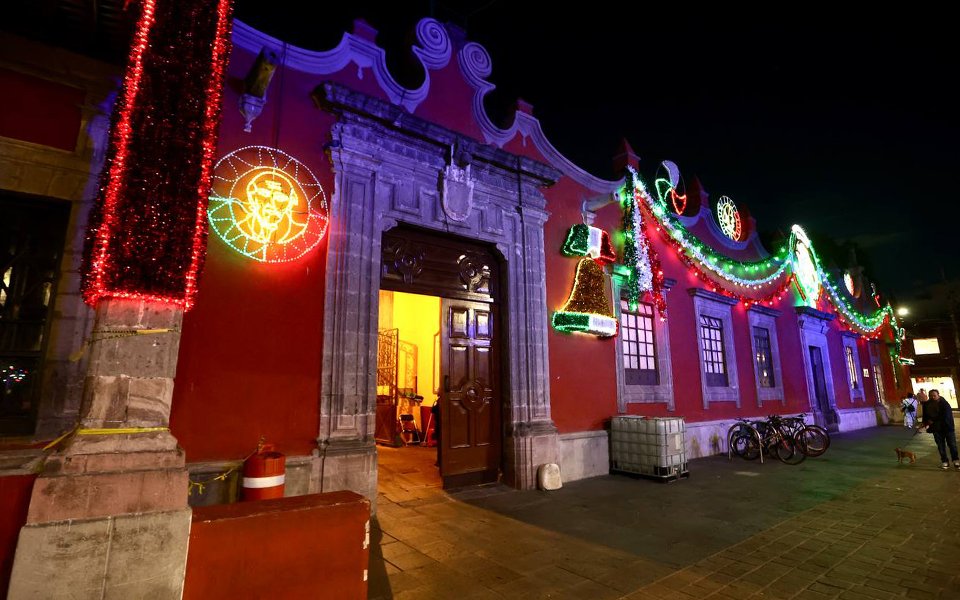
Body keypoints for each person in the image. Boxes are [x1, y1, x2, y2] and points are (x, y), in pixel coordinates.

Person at [920, 389, 959, 470]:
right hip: (936, 428)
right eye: (931, 396)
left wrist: (932, 420)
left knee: (952, 445)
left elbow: (945, 415)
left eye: (934, 395)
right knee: (941, 446)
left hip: (947, 428)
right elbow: (925, 415)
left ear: (938, 395)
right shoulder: (927, 404)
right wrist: (924, 423)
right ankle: (945, 461)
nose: (933, 397)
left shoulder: (944, 403)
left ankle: (956, 460)